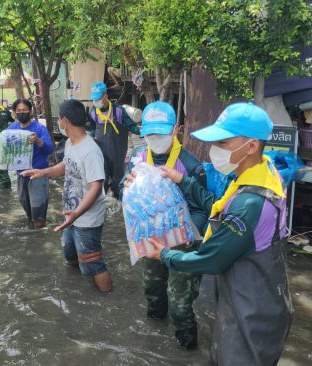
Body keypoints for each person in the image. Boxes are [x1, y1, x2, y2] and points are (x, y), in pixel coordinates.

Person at [139, 103, 292, 364]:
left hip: (251, 312)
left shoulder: (249, 205)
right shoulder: (261, 174)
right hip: (264, 295)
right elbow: (217, 206)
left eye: (223, 142)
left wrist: (164, 255)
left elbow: (209, 259)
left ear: (252, 146)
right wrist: (182, 180)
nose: (215, 149)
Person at [120, 101, 208, 350]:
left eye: (162, 132)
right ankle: (153, 343)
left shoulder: (190, 166)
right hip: (150, 242)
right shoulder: (137, 159)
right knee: (153, 292)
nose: (156, 138)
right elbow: (123, 190)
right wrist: (124, 186)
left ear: (175, 129)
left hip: (183, 245)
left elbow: (204, 207)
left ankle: (187, 349)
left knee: (181, 303)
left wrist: (190, 233)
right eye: (151, 133)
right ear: (143, 132)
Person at [22, 99, 113, 292]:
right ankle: (74, 289)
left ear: (64, 120)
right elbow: (66, 166)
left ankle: (108, 298)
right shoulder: (71, 144)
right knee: (70, 254)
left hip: (86, 219)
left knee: (93, 263)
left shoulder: (90, 150)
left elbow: (96, 186)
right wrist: (42, 172)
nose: (59, 124)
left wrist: (77, 214)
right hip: (71, 216)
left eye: (60, 120)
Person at [7, 99, 54, 229]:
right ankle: (33, 238)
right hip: (21, 174)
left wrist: (38, 141)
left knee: (38, 214)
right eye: (19, 111)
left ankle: (39, 237)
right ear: (15, 113)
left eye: (24, 110)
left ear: (30, 111)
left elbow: (50, 149)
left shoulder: (39, 128)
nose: (22, 113)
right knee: (27, 210)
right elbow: (6, 152)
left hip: (38, 174)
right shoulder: (11, 129)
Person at [88, 81, 140, 199]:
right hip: (101, 153)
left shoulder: (119, 111)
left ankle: (119, 203)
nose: (95, 102)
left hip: (117, 154)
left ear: (105, 95)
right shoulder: (93, 113)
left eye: (98, 98)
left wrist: (143, 132)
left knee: (118, 181)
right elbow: (92, 128)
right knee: (102, 180)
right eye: (94, 99)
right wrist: (91, 136)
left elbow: (131, 125)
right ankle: (101, 204)